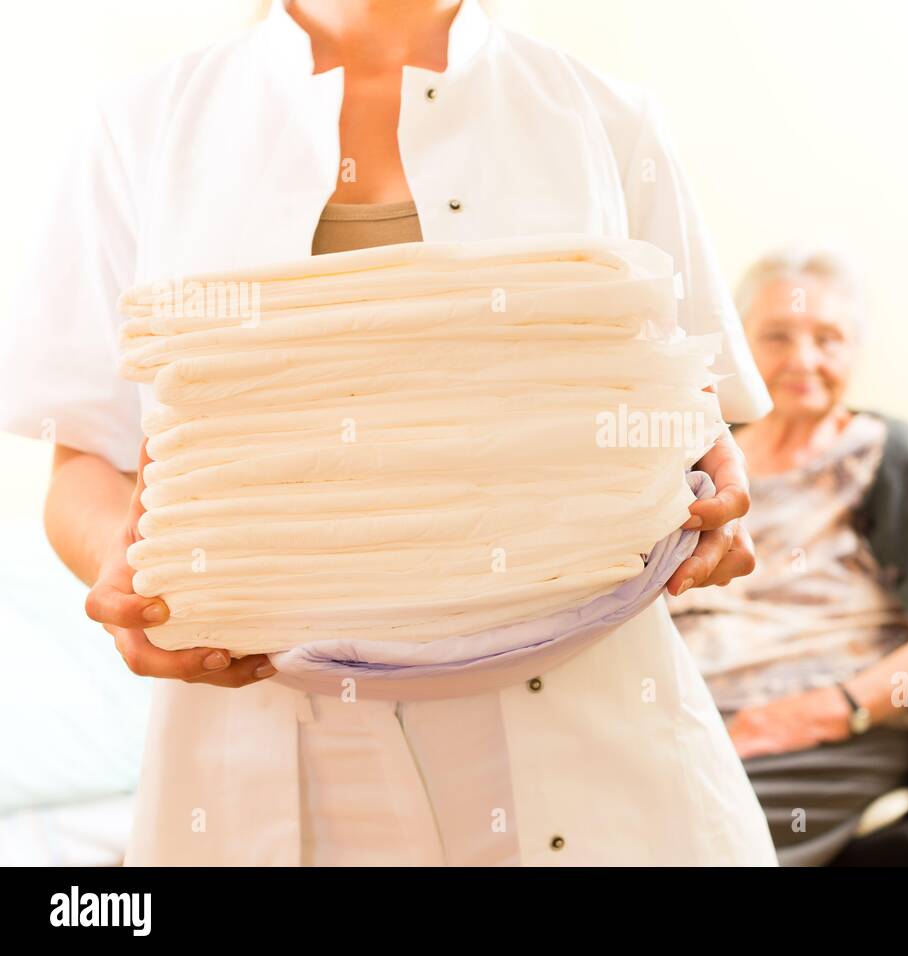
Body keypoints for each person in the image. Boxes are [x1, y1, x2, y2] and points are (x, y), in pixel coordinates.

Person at [0, 0, 778, 866]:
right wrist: (128, 571)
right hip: (268, 732)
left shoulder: (606, 117)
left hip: (589, 728)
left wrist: (712, 496)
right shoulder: (142, 128)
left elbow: (695, 419)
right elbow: (86, 468)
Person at [667, 247, 908, 866]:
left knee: (674, 838)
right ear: (739, 345)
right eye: (777, 336)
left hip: (811, 742)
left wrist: (831, 711)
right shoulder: (705, 454)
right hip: (684, 719)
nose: (804, 360)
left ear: (855, 350)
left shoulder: (884, 454)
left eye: (829, 338)